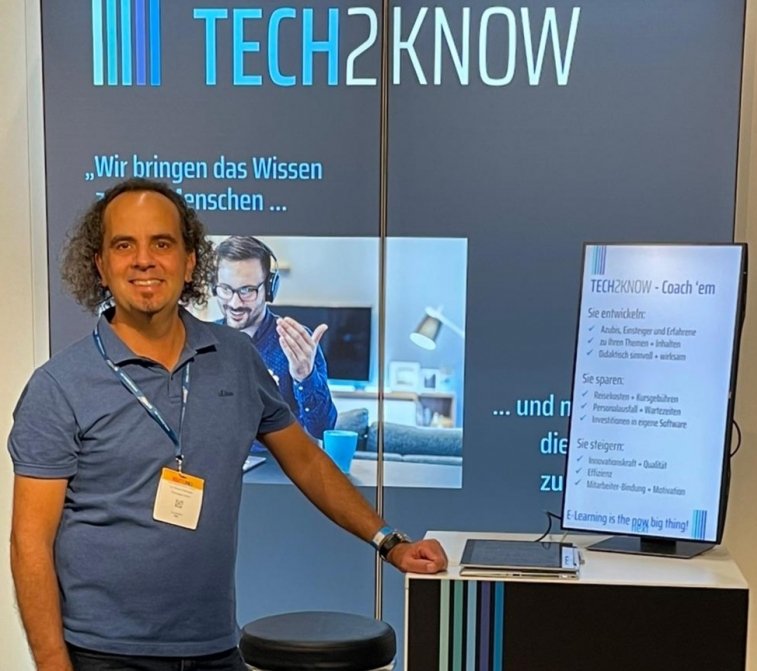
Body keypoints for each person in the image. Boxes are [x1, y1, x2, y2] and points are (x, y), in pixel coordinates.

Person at [7, 177, 447, 671]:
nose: (144, 260)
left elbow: (307, 462)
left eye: (162, 243)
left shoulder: (235, 357)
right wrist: (52, 662)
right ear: (101, 266)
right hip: (104, 654)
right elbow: (30, 543)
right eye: (124, 245)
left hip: (214, 648)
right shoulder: (59, 385)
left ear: (190, 262)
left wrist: (390, 543)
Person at [213, 236, 337, 440]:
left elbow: (323, 429)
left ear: (269, 289)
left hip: (278, 459)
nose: (235, 303)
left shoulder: (296, 343)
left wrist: (305, 376)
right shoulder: (203, 341)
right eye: (226, 289)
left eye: (247, 290)